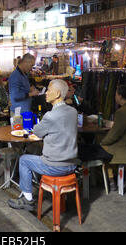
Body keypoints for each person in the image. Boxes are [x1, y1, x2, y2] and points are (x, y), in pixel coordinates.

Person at [8, 79, 78, 212]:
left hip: (56, 167)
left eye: (49, 90)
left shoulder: (50, 116)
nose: (45, 93)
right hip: (72, 164)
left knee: (24, 160)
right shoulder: (73, 112)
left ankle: (28, 200)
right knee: (36, 150)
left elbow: (37, 132)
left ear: (57, 93)